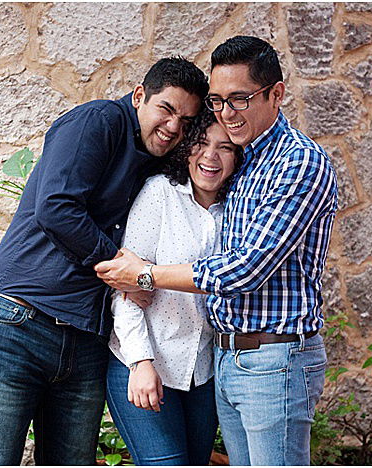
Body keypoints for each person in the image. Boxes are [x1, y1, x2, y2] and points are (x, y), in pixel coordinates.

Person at [95, 36, 338, 466]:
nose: (228, 112)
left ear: (276, 94)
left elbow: (244, 269)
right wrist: (140, 358)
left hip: (271, 360)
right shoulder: (245, 168)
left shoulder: (298, 162)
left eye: (240, 99)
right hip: (227, 362)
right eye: (218, 100)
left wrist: (146, 274)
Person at [0, 57, 208, 466]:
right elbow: (56, 207)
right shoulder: (98, 121)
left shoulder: (158, 161)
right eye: (166, 109)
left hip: (85, 342)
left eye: (186, 120)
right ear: (140, 96)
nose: (174, 127)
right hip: (18, 324)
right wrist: (125, 270)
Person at [106, 109, 243, 465]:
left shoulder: (238, 210)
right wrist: (140, 362)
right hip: (145, 362)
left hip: (203, 372)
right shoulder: (160, 194)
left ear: (237, 156)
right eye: (200, 143)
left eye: (225, 148)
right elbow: (125, 282)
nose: (210, 156)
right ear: (186, 150)